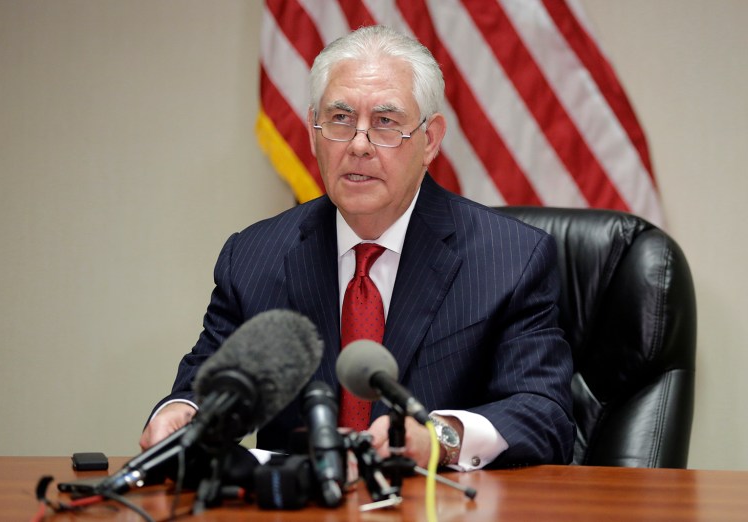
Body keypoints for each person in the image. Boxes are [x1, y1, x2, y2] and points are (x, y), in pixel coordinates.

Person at [140, 25, 574, 470]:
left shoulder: (509, 258)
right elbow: (202, 387)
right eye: (340, 120)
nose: (359, 145)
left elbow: (544, 413)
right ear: (313, 131)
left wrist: (439, 439)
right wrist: (180, 414)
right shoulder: (253, 256)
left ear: (430, 139)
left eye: (386, 123)